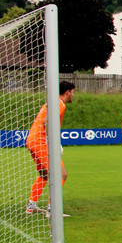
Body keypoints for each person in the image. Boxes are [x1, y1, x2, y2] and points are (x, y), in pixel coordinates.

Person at [26, 80, 75, 215]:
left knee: (44, 174)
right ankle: (52, 209)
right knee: (61, 174)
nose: (73, 95)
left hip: (32, 140)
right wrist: (52, 143)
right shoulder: (59, 104)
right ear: (67, 92)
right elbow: (47, 121)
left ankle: (31, 205)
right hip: (41, 141)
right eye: (73, 92)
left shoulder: (52, 102)